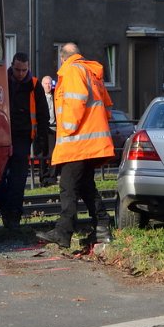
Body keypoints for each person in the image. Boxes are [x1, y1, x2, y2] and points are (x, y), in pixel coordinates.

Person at [36, 43, 115, 248]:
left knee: (68, 187)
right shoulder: (91, 72)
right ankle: (102, 228)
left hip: (78, 142)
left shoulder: (71, 71)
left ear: (62, 58)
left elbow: (75, 102)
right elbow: (107, 107)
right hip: (92, 141)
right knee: (87, 186)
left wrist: (68, 128)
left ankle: (63, 232)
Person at [0, 52, 49, 229]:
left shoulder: (34, 85)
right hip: (1, 135)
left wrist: (41, 138)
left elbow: (42, 113)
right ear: (12, 66)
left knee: (18, 178)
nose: (21, 73)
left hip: (23, 136)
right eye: (17, 69)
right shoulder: (1, 80)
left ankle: (13, 215)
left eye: (24, 70)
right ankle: (6, 205)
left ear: (28, 68)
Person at [37, 75, 58, 186]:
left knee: (53, 153)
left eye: (50, 83)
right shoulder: (39, 97)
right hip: (43, 128)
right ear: (42, 85)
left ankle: (52, 177)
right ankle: (43, 177)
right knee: (42, 153)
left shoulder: (55, 96)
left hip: (54, 128)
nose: (48, 86)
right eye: (46, 83)